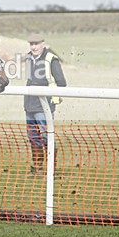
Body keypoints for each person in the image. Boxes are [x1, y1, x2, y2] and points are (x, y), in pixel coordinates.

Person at [23, 34, 67, 173]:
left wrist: (55, 94)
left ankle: (50, 168)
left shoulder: (51, 59)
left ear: (43, 44)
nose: (33, 47)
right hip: (29, 104)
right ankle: (37, 167)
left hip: (45, 105)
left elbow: (61, 82)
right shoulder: (29, 58)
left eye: (36, 44)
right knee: (33, 136)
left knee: (46, 136)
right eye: (31, 44)